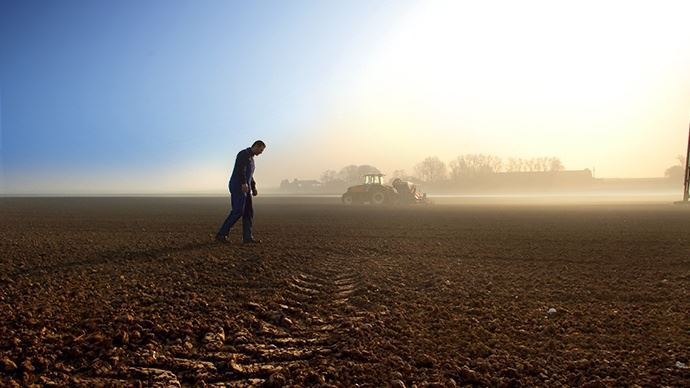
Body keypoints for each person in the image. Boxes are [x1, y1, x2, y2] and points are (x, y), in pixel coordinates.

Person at [216, 140, 266, 243]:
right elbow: (240, 169)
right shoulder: (243, 154)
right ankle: (221, 234)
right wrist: (243, 183)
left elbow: (250, 175)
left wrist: (253, 187)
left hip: (246, 188)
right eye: (260, 150)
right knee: (238, 211)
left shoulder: (252, 159)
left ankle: (247, 237)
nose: (261, 153)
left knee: (248, 212)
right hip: (238, 186)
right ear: (256, 146)